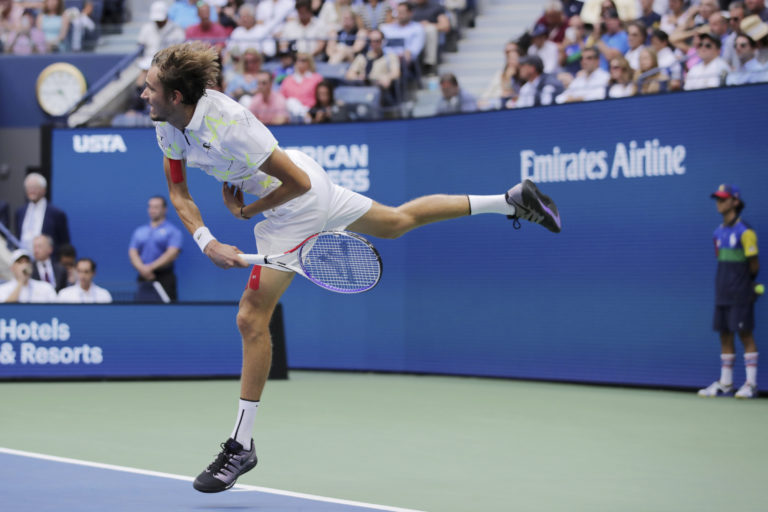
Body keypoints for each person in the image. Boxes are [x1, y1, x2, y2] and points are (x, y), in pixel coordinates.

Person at [139, 41, 562, 494]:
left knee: (250, 317)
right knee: (397, 222)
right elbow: (179, 194)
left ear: (177, 96)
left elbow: (297, 185)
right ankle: (509, 201)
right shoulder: (166, 125)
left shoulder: (231, 126)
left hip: (296, 202)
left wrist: (246, 214)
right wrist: (207, 241)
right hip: (303, 184)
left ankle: (241, 445)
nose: (144, 95)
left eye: (150, 88)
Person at [698, 184, 760, 399]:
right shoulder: (718, 233)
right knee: (724, 335)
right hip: (722, 292)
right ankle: (726, 383)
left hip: (741, 293)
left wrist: (747, 285)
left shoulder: (746, 233)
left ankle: (751, 384)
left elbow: (754, 265)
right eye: (717, 199)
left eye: (723, 199)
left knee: (745, 335)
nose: (719, 203)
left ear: (735, 202)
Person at [128, 195, 183, 302]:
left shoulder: (173, 231)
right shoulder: (139, 231)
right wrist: (142, 268)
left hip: (164, 277)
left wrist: (151, 267)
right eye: (150, 207)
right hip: (143, 276)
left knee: (168, 310)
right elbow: (133, 252)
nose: (152, 210)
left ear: (164, 209)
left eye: (156, 207)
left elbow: (172, 253)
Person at [15, 172, 71, 255]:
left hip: (47, 261)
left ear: (44, 190)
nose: (32, 190)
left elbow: (64, 242)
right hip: (24, 259)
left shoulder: (56, 213)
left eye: (35, 187)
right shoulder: (20, 212)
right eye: (29, 187)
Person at [345, 28, 401, 107]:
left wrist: (387, 77)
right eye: (370, 41)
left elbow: (396, 73)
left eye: (377, 41)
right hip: (364, 91)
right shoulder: (362, 57)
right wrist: (358, 77)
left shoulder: (390, 56)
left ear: (383, 41)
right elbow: (349, 74)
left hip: (381, 92)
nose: (374, 43)